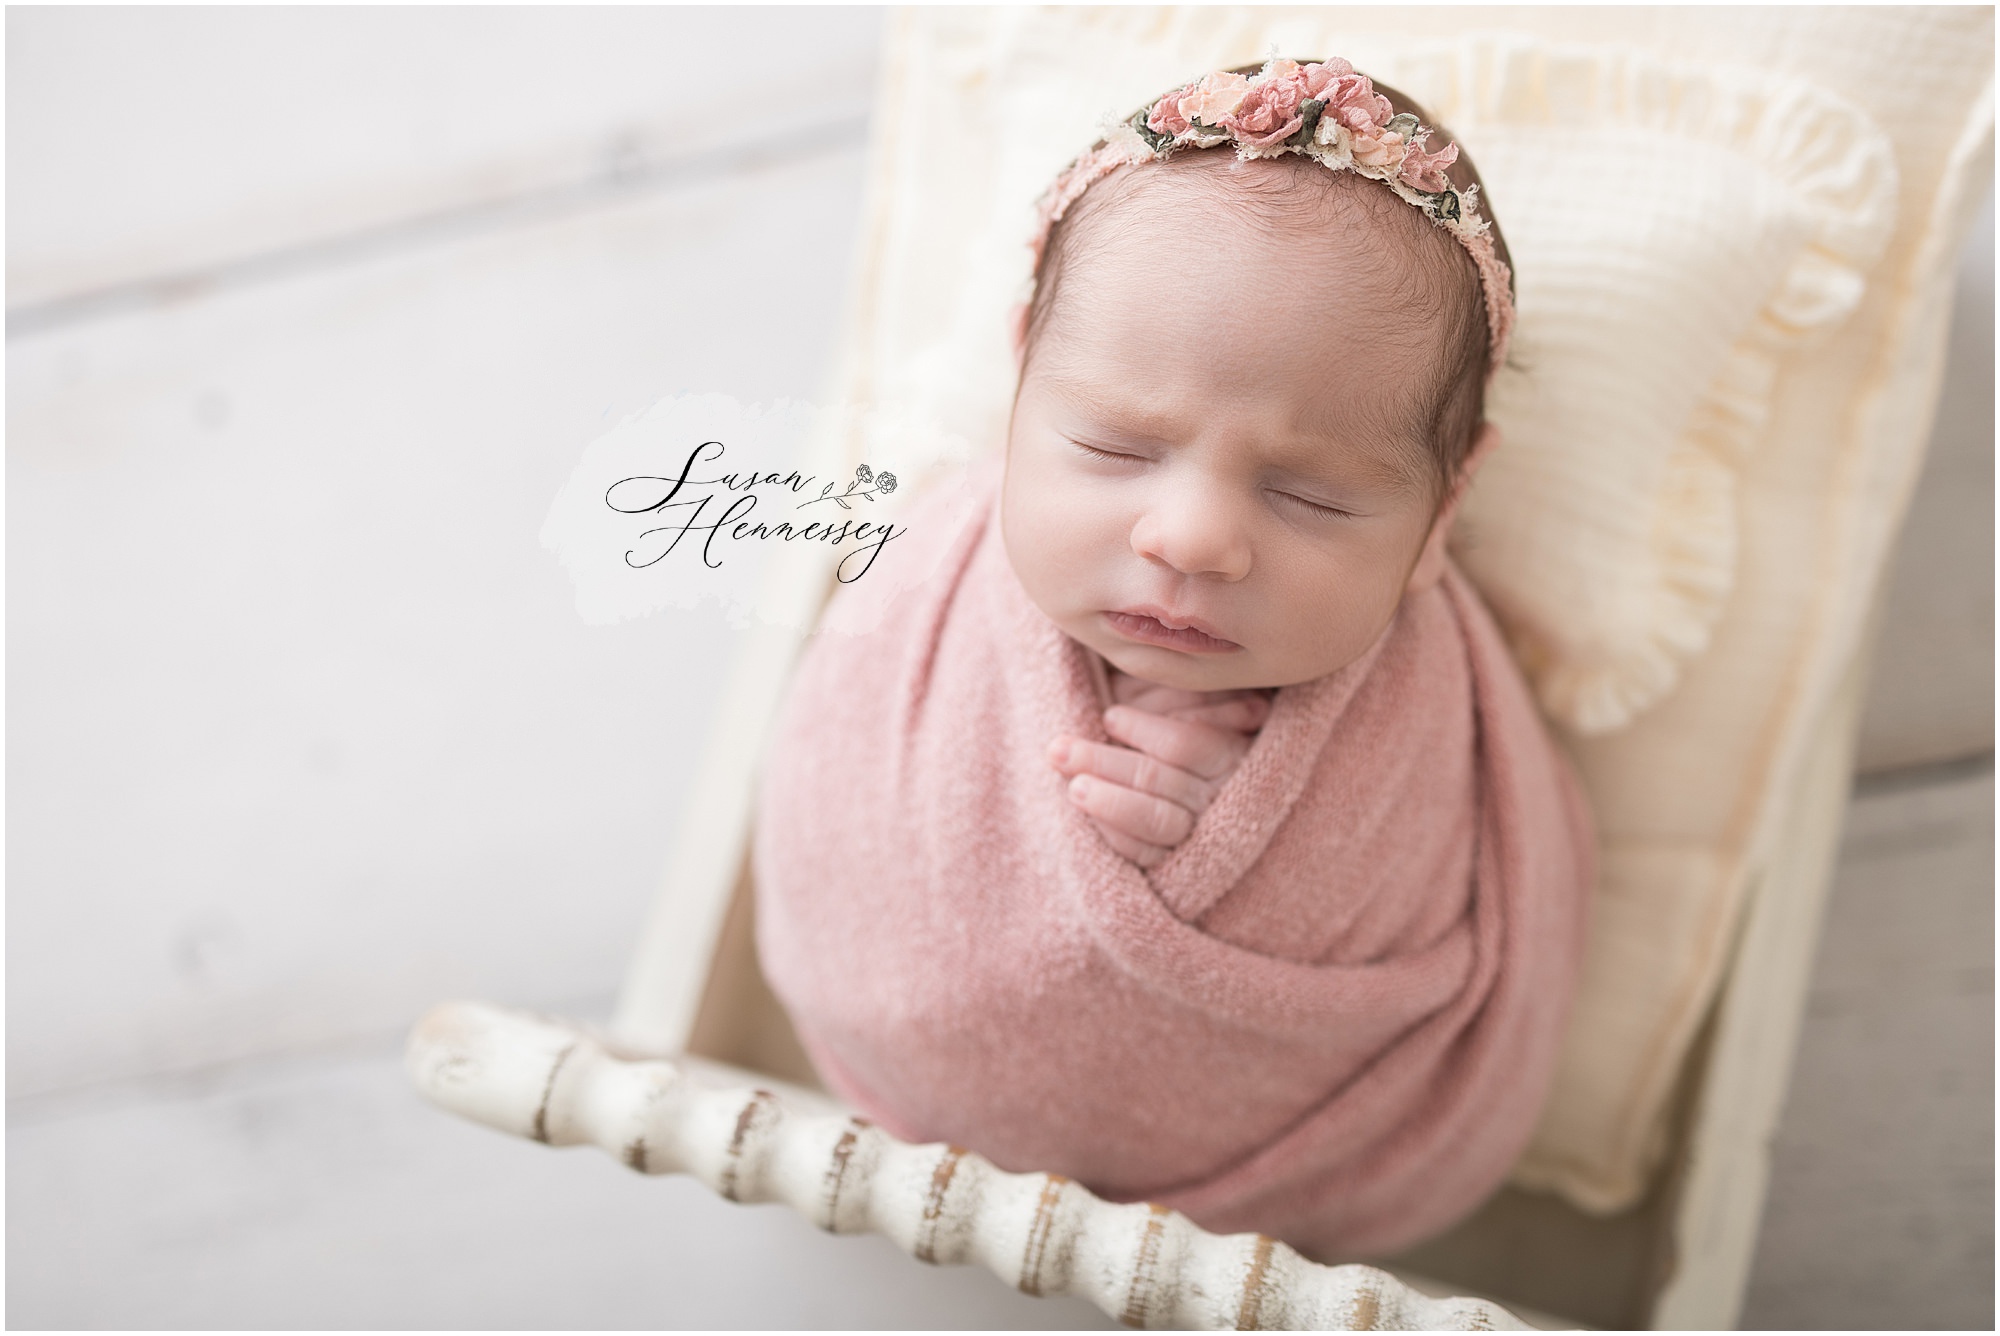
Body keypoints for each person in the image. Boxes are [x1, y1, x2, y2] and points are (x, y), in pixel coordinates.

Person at [751, 56, 1596, 1259]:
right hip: (901, 1069)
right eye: (1110, 445)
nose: (1193, 538)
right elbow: (845, 781)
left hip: (1283, 1178)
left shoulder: (1423, 708)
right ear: (1017, 389)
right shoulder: (926, 577)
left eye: (1307, 496)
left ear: (1442, 509)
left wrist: (1241, 830)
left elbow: (1451, 875)